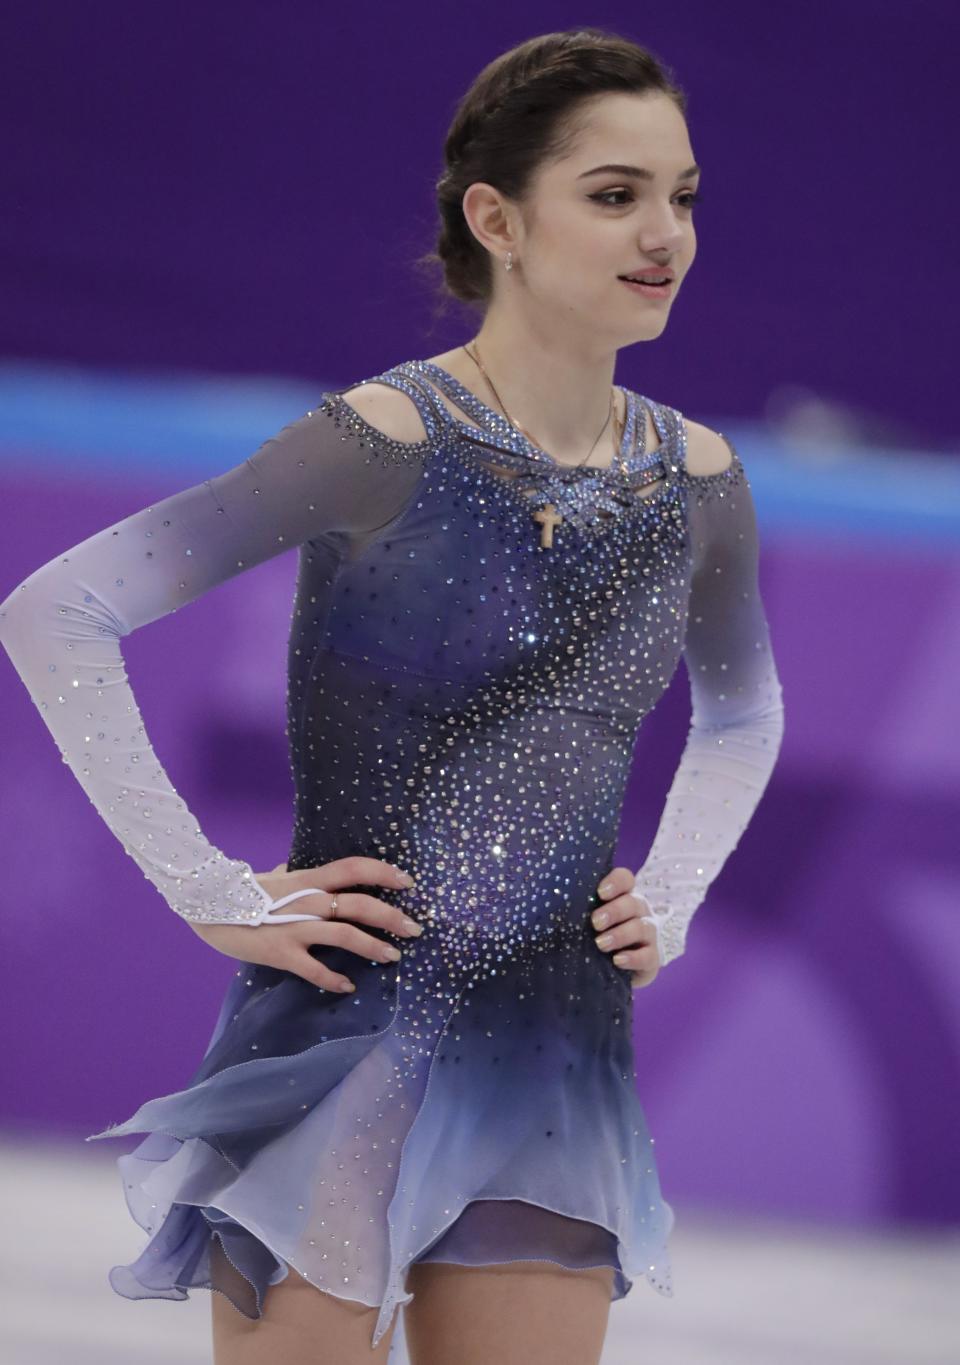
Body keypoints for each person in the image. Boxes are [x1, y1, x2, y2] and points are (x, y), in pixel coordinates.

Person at [0, 26, 785, 1365]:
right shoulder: (378, 441)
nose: (666, 232)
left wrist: (678, 888)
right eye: (615, 194)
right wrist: (211, 886)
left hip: (549, 1058)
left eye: (684, 195)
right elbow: (57, 608)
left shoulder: (697, 477)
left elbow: (744, 711)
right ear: (500, 218)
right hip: (344, 1037)